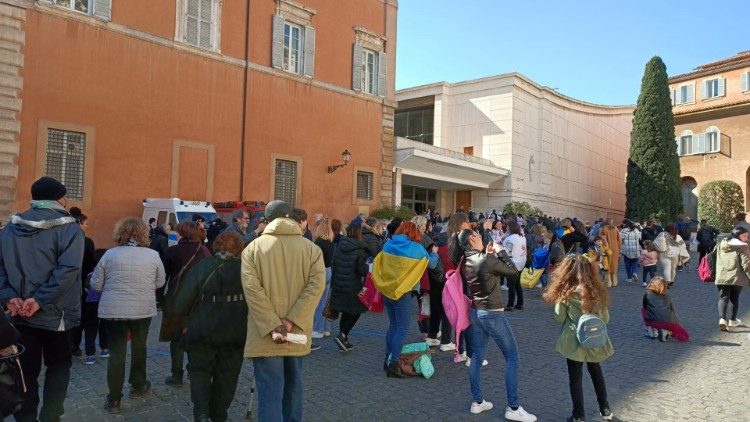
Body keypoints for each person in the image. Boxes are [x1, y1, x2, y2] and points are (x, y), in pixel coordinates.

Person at [0, 177, 84, 422]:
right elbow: (68, 270)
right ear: (60, 199)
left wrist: (10, 297)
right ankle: (51, 416)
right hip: (55, 314)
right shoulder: (70, 229)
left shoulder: (9, 229)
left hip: (18, 313)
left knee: (25, 369)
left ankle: (26, 418)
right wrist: (38, 300)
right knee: (58, 366)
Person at [241, 200, 325, 422]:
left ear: (266, 220)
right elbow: (316, 287)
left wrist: (273, 323)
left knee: (269, 394)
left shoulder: (253, 248)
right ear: (290, 217)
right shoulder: (311, 249)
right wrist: (291, 320)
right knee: (294, 389)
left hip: (265, 332)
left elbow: (252, 290)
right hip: (296, 331)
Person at [453, 228, 536, 421]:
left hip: (477, 312)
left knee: (477, 357)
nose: (481, 236)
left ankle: (477, 402)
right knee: (513, 357)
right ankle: (513, 407)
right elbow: (514, 272)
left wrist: (490, 253)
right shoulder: (487, 260)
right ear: (473, 239)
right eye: (478, 234)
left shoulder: (467, 260)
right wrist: (500, 251)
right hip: (492, 313)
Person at [172, 232, 248, 421]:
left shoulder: (203, 266)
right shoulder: (247, 270)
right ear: (239, 248)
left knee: (200, 372)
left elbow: (182, 302)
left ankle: (202, 412)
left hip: (202, 329)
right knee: (228, 374)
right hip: (234, 332)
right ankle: (219, 412)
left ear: (217, 246)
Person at [91, 218, 166, 412]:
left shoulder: (109, 255)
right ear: (144, 233)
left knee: (117, 353)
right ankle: (138, 384)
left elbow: (96, 284)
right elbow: (160, 282)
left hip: (114, 310)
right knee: (140, 346)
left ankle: (114, 397)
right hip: (142, 309)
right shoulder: (152, 255)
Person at [543, 254, 614, 422]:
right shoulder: (597, 291)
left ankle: (579, 414)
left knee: (575, 377)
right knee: (596, 372)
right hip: (594, 338)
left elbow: (559, 318)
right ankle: (605, 409)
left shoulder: (566, 293)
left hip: (573, 340)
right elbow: (605, 319)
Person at [371, 222, 439, 377]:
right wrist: (434, 252)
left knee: (393, 326)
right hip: (403, 292)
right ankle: (393, 364)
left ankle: (387, 359)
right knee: (402, 328)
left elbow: (378, 262)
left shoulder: (388, 245)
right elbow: (433, 264)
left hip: (387, 290)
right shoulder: (416, 249)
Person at [160, 222, 212, 387]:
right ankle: (193, 372)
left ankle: (176, 375)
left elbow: (164, 277)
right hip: (199, 300)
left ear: (181, 233)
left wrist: (160, 298)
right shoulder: (204, 251)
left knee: (177, 339)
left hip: (177, 299)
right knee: (196, 338)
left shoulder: (173, 251)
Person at [330, 218, 371, 352]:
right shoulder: (360, 249)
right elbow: (361, 270)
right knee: (356, 311)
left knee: (346, 312)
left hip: (339, 283)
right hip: (352, 285)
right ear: (359, 233)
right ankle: (343, 334)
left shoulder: (340, 245)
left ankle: (344, 339)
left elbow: (334, 263)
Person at [68, 207, 97, 358]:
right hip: (81, 286)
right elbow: (92, 264)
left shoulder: (62, 239)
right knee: (79, 317)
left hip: (66, 285)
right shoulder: (86, 242)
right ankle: (74, 346)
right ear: (79, 223)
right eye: (86, 224)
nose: (88, 226)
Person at [714, 226, 750, 331]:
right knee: (734, 298)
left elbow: (714, 255)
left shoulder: (722, 244)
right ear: (738, 235)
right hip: (736, 277)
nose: (746, 239)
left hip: (722, 275)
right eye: (745, 236)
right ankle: (732, 320)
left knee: (723, 298)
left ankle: (722, 319)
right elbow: (746, 265)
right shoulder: (743, 246)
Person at [82, 249, 109, 365]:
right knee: (104, 326)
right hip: (105, 302)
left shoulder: (90, 274)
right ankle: (105, 349)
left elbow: (86, 289)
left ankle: (90, 355)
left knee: (90, 328)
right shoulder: (109, 273)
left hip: (91, 303)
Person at [642, 277, 689, 342]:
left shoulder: (647, 294)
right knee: (685, 336)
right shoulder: (667, 296)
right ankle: (668, 332)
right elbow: (672, 309)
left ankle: (651, 331)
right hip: (669, 322)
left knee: (643, 309)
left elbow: (645, 307)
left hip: (652, 321)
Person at [312, 219, 335, 342]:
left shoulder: (318, 243)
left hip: (321, 272)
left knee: (319, 302)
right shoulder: (330, 243)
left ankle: (318, 329)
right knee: (326, 301)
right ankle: (326, 329)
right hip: (330, 271)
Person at [503, 222, 527, 311]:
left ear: (511, 228)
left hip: (513, 263)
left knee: (511, 285)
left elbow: (507, 250)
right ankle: (520, 303)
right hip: (521, 261)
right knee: (517, 284)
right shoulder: (522, 237)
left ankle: (510, 304)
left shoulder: (511, 238)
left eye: (507, 227)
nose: (506, 229)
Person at [599, 219, 621, 287]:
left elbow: (602, 240)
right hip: (615, 249)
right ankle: (614, 282)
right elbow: (619, 240)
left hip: (607, 250)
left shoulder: (603, 229)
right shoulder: (616, 229)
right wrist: (619, 250)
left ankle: (608, 282)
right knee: (614, 265)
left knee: (607, 264)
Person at [620, 219, 641, 284]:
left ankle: (629, 278)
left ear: (625, 224)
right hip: (636, 249)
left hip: (626, 250)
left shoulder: (623, 231)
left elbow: (620, 239)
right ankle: (634, 272)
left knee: (627, 264)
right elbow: (640, 238)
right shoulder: (636, 230)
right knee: (634, 262)